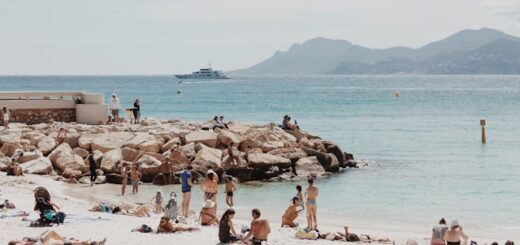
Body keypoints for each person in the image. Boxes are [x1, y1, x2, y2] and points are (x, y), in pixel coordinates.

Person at [8, 230, 106, 245]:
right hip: (41, 243)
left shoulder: (25, 240)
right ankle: (92, 243)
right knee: (52, 233)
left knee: (72, 242)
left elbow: (33, 239)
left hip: (41, 242)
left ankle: (92, 243)